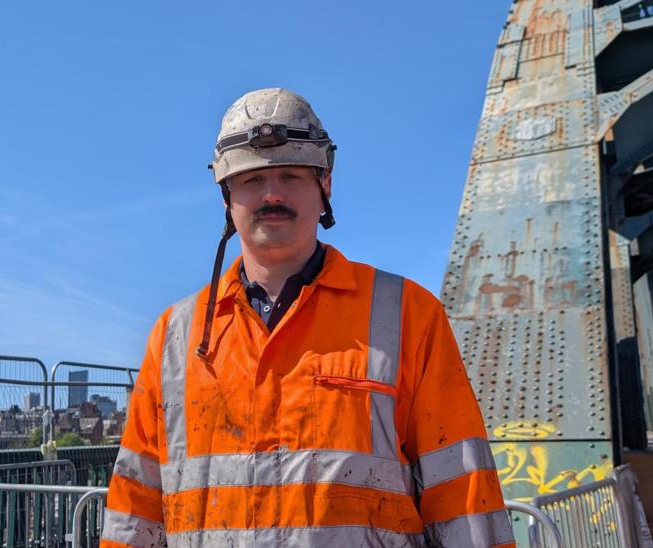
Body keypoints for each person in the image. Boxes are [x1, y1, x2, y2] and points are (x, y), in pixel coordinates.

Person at [101, 88, 514, 547]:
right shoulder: (176, 334)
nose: (272, 193)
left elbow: (462, 493)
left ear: (325, 186)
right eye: (252, 180)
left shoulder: (408, 315)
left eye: (292, 175)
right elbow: (136, 504)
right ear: (226, 198)